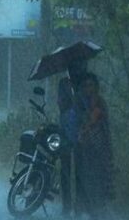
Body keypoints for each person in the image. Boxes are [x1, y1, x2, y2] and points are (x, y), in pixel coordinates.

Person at [78, 73, 115, 219]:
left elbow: (95, 120)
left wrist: (84, 129)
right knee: (88, 180)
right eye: (85, 86)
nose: (88, 88)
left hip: (101, 147)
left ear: (96, 87)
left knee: (101, 180)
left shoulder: (100, 102)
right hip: (87, 148)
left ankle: (100, 212)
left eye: (91, 85)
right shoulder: (83, 103)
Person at [57, 59, 87, 217]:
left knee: (81, 172)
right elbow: (61, 104)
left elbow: (89, 106)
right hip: (65, 132)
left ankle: (79, 207)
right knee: (65, 172)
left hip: (81, 133)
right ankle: (66, 206)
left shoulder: (85, 85)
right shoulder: (63, 83)